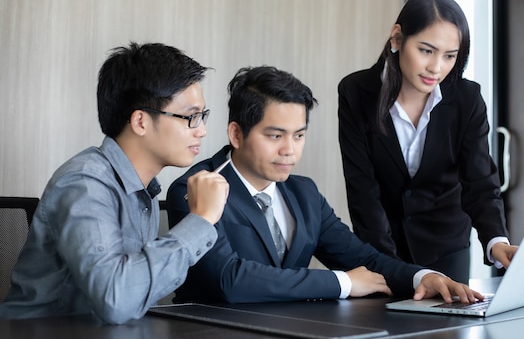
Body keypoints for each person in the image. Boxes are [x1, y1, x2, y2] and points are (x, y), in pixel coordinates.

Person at [166, 65, 483, 305]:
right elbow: (230, 280)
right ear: (236, 134)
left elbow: (363, 259)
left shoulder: (304, 193)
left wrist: (423, 276)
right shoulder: (192, 190)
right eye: (275, 136)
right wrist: (342, 283)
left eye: (299, 135)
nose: (290, 150)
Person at [0, 43, 228, 324]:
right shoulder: (84, 183)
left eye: (202, 116)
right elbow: (116, 300)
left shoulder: (146, 190)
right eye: (191, 117)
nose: (202, 131)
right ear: (141, 122)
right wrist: (201, 220)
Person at [337, 0, 518, 284]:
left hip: (446, 246)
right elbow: (362, 191)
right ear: (397, 39)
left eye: (450, 56)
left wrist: (496, 240)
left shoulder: (467, 98)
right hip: (383, 247)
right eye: (426, 50)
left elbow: (480, 180)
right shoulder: (356, 92)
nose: (437, 67)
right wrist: (391, 268)